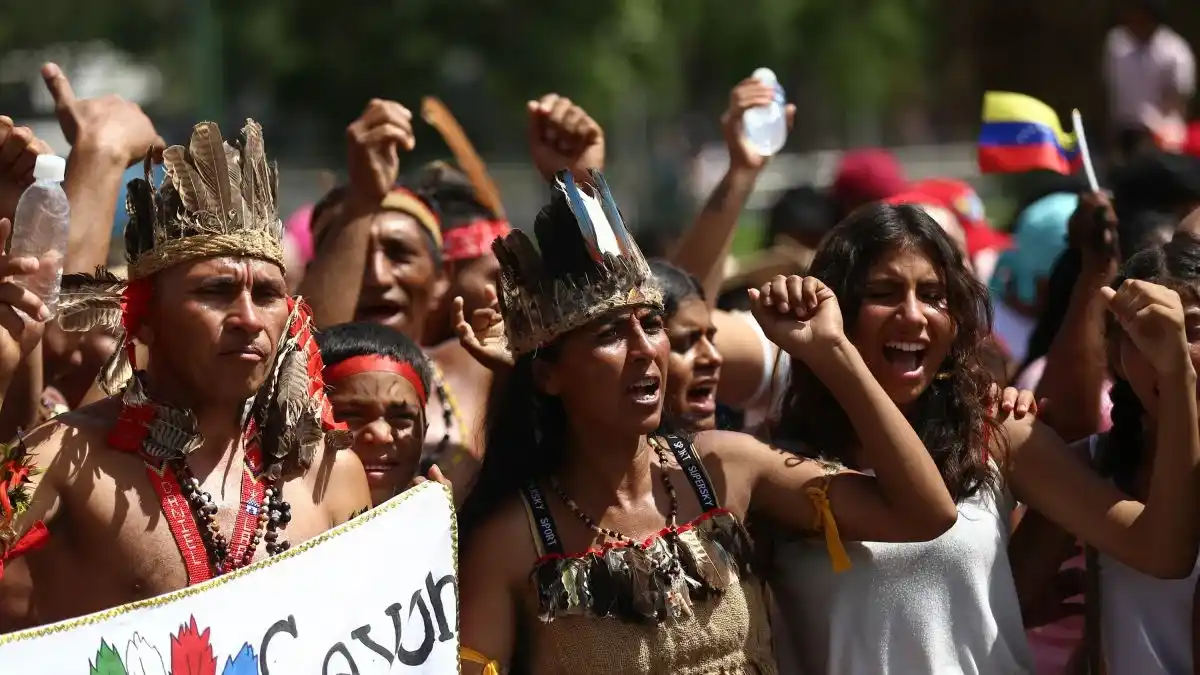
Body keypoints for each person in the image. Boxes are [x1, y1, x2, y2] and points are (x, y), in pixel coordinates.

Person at [457, 169, 964, 674]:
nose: (645, 351)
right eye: (611, 333)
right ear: (548, 375)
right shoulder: (510, 542)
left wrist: (832, 352)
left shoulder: (725, 467)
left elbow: (924, 514)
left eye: (653, 325)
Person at [765, 203, 1200, 675]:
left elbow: (1162, 551)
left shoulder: (994, 433)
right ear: (839, 310)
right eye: (884, 293)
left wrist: (1177, 372)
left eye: (933, 295)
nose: (913, 315)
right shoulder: (775, 466)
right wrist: (829, 352)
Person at [0, 120, 371, 633]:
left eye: (267, 295)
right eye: (216, 291)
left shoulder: (332, 474)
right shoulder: (59, 461)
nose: (248, 318)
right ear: (144, 317)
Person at [318, 321, 444, 506]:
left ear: (424, 430)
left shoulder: (444, 525)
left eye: (402, 418)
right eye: (352, 415)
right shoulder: (274, 526)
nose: (380, 435)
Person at [1104, 0, 1195, 153]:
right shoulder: (1116, 45)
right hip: (1124, 133)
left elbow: (1180, 100)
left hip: (1162, 138)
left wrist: (1163, 131)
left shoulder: (1175, 52)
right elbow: (1112, 91)